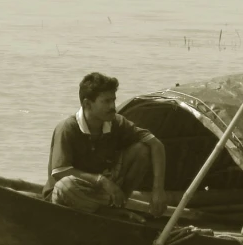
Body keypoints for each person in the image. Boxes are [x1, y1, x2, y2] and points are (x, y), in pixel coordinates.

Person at [42, 72, 167, 217]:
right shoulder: (67, 128)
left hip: (99, 192)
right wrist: (101, 181)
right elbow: (60, 172)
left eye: (113, 100)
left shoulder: (117, 123)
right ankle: (112, 212)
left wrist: (158, 189)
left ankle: (118, 204)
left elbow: (156, 145)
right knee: (66, 185)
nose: (113, 106)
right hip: (69, 194)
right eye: (106, 101)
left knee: (142, 150)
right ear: (87, 104)